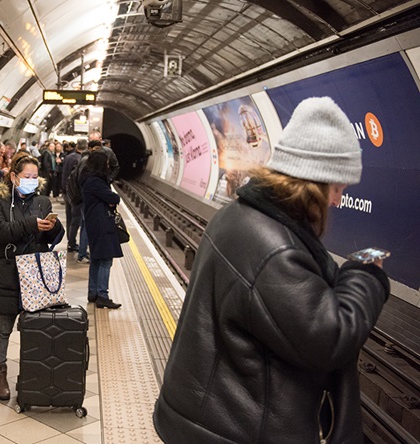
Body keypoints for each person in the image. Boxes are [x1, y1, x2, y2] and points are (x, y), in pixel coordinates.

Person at [153, 97, 390, 443]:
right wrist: (366, 276)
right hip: (237, 430)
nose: (339, 200)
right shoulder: (273, 250)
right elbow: (328, 338)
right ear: (315, 182)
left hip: (204, 420)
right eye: (338, 188)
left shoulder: (237, 217)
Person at [0, 152, 63, 400]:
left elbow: (52, 238)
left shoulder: (42, 202)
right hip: (9, 272)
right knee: (4, 326)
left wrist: (54, 228)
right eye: (27, 176)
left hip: (35, 272)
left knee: (35, 327)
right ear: (14, 177)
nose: (32, 181)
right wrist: (30, 224)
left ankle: (33, 373)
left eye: (35, 177)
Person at [81, 151, 123, 309]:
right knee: (105, 260)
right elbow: (113, 198)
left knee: (96, 259)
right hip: (101, 223)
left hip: (94, 222)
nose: (108, 166)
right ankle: (102, 295)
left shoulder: (88, 179)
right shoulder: (95, 181)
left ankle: (93, 293)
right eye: (106, 163)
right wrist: (112, 199)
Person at [62, 138, 85, 252]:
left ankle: (69, 240)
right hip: (75, 194)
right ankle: (72, 242)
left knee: (69, 217)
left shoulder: (68, 157)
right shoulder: (80, 160)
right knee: (76, 219)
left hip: (66, 192)